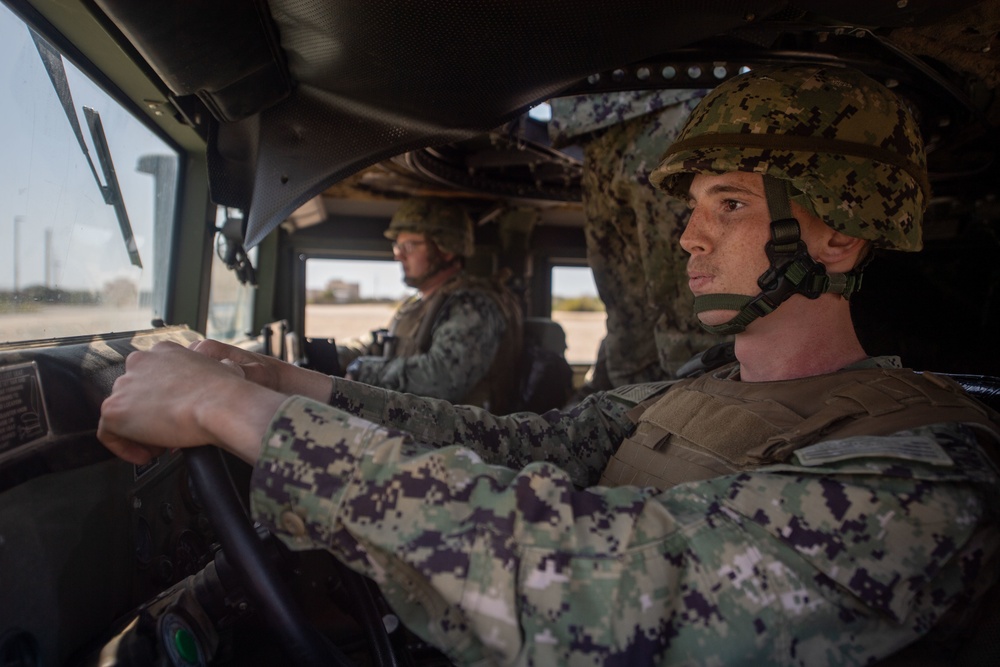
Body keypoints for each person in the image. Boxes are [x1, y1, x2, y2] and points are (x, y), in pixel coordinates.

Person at [98, 65, 1000, 665]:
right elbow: (506, 443)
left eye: (728, 203)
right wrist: (278, 382)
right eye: (692, 207)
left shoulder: (923, 471)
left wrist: (233, 415)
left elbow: (598, 583)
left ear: (837, 234)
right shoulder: (690, 392)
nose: (687, 235)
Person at [549, 89, 723, 386]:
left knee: (689, 309)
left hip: (669, 103)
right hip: (592, 125)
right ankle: (631, 412)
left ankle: (696, 406)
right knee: (623, 311)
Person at [336, 197, 523, 413]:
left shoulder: (474, 305)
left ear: (447, 248)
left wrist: (364, 371)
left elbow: (443, 376)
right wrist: (337, 355)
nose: (399, 256)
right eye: (397, 246)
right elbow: (386, 345)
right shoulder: (417, 304)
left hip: (463, 438)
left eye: (409, 246)